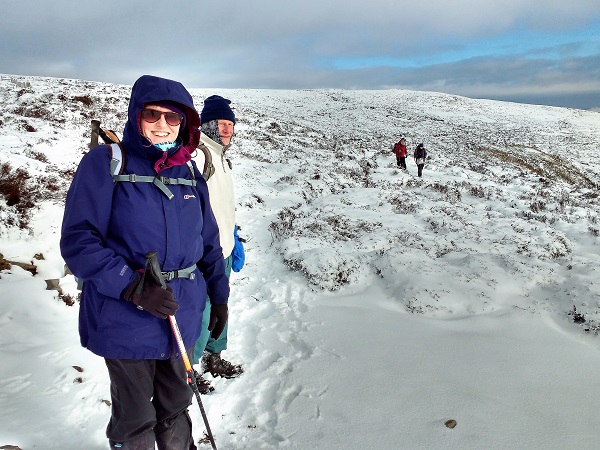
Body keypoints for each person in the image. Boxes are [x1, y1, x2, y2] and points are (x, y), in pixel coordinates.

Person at [60, 75, 230, 450]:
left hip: (179, 312)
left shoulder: (188, 174)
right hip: (123, 317)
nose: (162, 124)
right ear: (137, 115)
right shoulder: (105, 163)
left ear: (185, 124)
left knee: (176, 405)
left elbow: (209, 243)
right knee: (135, 416)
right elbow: (79, 241)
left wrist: (219, 296)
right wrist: (133, 286)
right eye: (153, 114)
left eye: (173, 118)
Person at [192, 95, 244, 392]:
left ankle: (214, 355)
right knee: (200, 310)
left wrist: (233, 234)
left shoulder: (221, 156)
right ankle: (189, 366)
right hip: (203, 253)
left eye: (229, 124)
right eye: (220, 124)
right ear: (206, 125)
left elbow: (220, 203)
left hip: (223, 247)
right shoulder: (199, 156)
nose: (226, 129)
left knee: (220, 307)